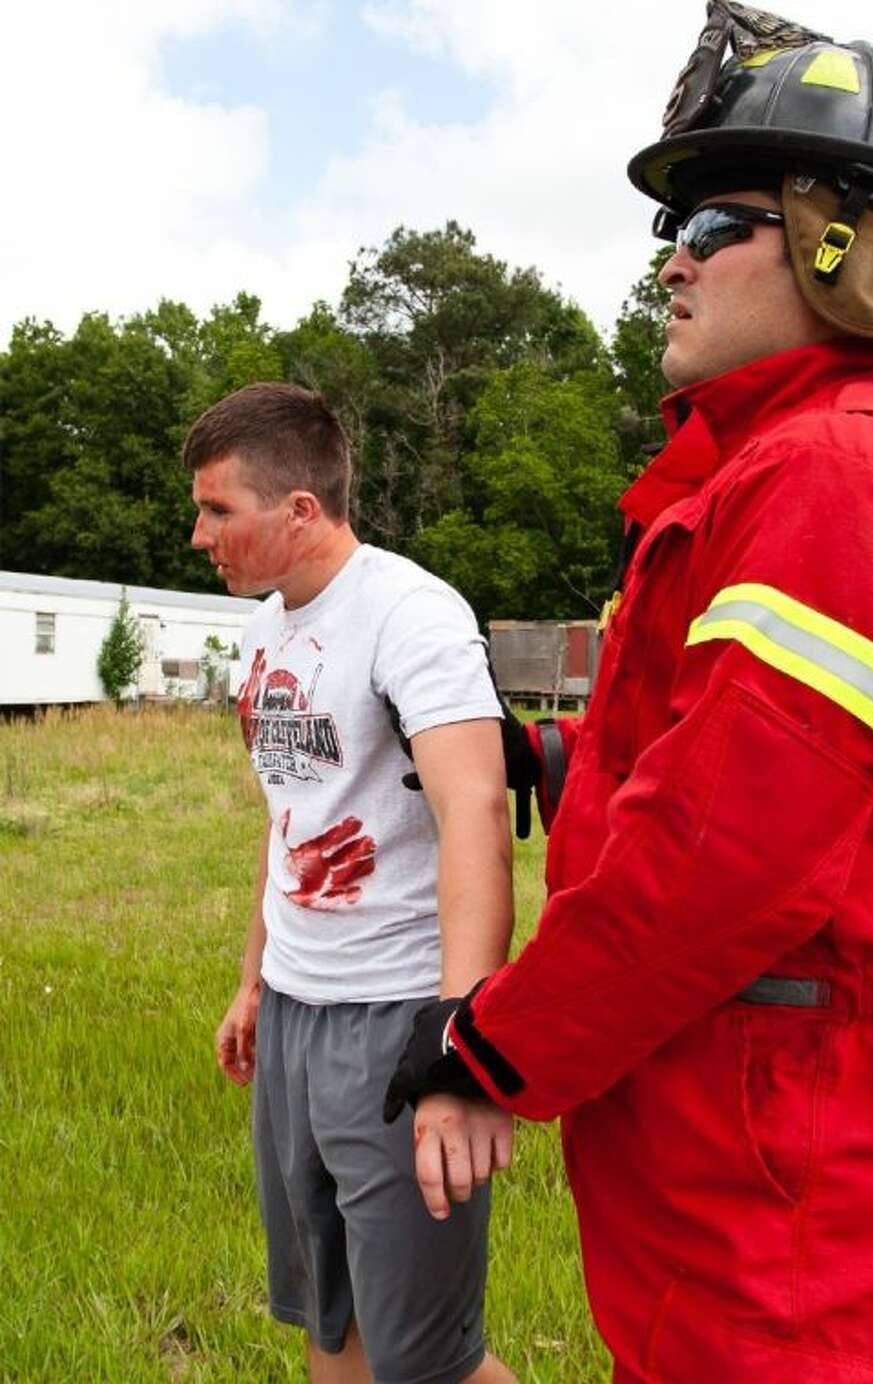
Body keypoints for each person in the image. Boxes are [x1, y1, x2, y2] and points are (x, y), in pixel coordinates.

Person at [387, 4, 873, 1380]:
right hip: (743, 1117)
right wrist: (560, 760)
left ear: (837, 242)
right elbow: (720, 752)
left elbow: (730, 860)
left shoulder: (839, 477)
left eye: (707, 229)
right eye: (666, 237)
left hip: (800, 1146)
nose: (667, 271)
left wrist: (497, 1049)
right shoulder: (766, 473)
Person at [187, 381, 517, 1384]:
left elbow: (478, 815)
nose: (201, 537)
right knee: (332, 1323)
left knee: (430, 1361)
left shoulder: (411, 614)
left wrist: (461, 1047)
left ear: (300, 509)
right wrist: (255, 981)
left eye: (218, 511)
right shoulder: (263, 633)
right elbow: (292, 814)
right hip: (296, 1013)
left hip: (397, 1018)